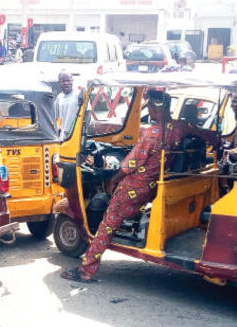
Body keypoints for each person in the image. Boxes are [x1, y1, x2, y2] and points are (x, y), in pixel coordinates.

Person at [60, 90, 220, 282]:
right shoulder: (178, 128)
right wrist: (216, 140)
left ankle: (86, 271)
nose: (149, 110)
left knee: (106, 227)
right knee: (123, 214)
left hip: (134, 187)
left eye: (150, 106)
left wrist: (114, 179)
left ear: (155, 107)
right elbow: (200, 132)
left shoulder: (152, 134)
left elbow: (130, 164)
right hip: (154, 185)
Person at [54, 72, 79, 140]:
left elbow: (87, 114)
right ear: (59, 82)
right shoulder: (59, 97)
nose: (66, 83)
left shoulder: (79, 95)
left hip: (77, 135)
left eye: (68, 80)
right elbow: (54, 117)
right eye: (63, 81)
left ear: (72, 81)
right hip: (64, 136)